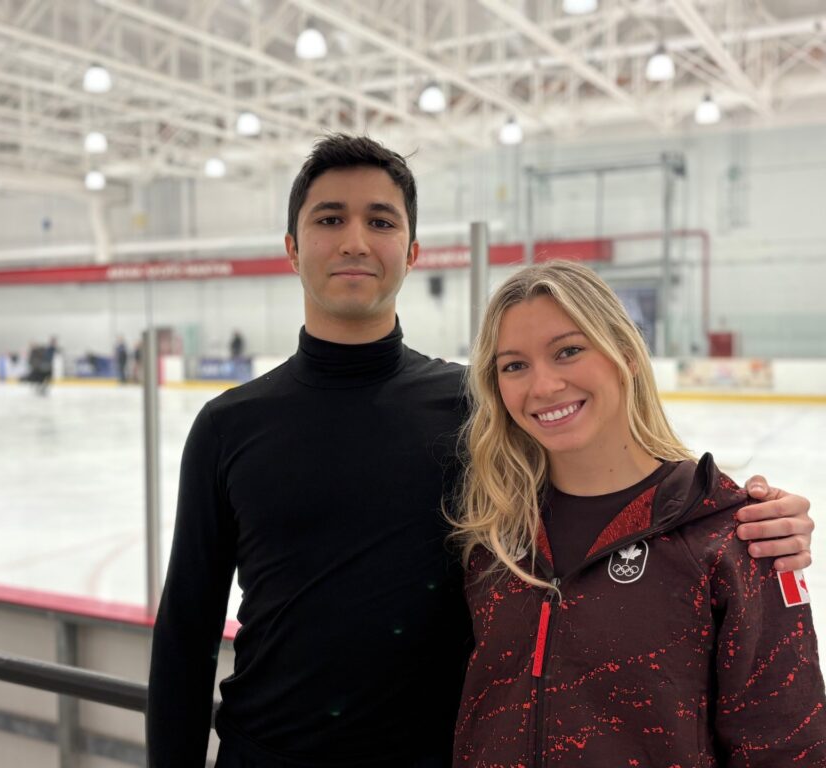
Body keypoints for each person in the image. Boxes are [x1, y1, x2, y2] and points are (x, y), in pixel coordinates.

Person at [147, 135, 814, 767]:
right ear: (292, 248)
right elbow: (186, 634)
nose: (355, 240)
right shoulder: (227, 427)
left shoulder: (478, 413)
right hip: (267, 756)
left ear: (412, 253)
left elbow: (606, 481)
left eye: (381, 221)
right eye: (330, 219)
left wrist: (743, 515)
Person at [452, 260, 826, 766]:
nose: (542, 386)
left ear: (625, 355)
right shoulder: (493, 538)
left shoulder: (731, 537)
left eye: (568, 351)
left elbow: (786, 747)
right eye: (514, 365)